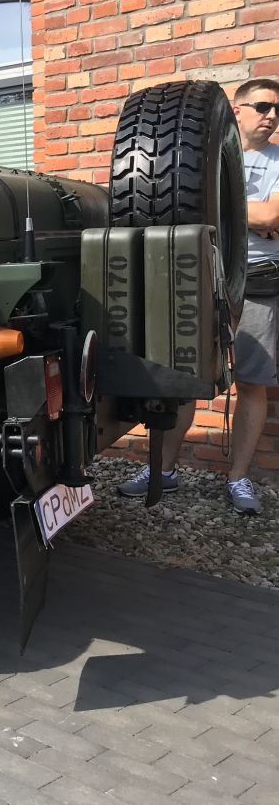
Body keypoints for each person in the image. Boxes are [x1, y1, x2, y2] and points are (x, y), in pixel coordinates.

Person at [118, 78, 279, 515]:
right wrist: (251, 216)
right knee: (184, 376)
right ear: (237, 110)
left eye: (277, 110)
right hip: (198, 279)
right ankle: (163, 470)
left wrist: (220, 208)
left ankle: (238, 477)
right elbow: (177, 206)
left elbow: (272, 215)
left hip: (257, 283)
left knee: (252, 383)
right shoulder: (199, 153)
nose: (271, 116)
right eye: (263, 106)